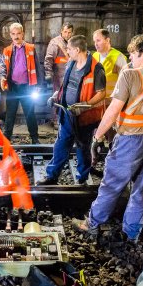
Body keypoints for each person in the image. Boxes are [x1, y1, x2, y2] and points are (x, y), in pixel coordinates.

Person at [72, 35, 143, 243]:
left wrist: (98, 136)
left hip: (130, 141)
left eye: (133, 54)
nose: (130, 58)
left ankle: (92, 223)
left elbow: (112, 110)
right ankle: (132, 232)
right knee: (142, 189)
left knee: (111, 185)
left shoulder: (129, 75)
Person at [36, 35, 106, 185]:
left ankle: (82, 178)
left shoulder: (96, 68)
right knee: (60, 146)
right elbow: (65, 85)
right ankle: (52, 176)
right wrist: (56, 96)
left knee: (82, 148)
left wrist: (83, 106)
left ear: (77, 49)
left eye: (68, 49)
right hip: (67, 114)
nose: (67, 52)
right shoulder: (71, 63)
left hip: (84, 118)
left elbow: (102, 93)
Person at [0, 22, 44, 144]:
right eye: (13, 34)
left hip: (27, 87)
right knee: (10, 114)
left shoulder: (30, 48)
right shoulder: (7, 50)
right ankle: (7, 138)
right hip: (13, 87)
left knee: (30, 113)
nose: (16, 36)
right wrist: (2, 78)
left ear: (22, 34)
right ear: (10, 35)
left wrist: (39, 85)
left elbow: (38, 68)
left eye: (18, 33)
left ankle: (34, 138)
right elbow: (3, 67)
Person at [44, 22, 73, 127]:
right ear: (61, 31)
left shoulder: (73, 43)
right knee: (57, 97)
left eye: (69, 32)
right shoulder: (55, 43)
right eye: (65, 32)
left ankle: (66, 120)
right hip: (58, 76)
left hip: (70, 77)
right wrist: (48, 74)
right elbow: (48, 60)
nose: (67, 34)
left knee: (68, 98)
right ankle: (56, 120)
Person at [92, 29, 127, 104]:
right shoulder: (94, 56)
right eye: (94, 41)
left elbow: (125, 82)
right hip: (96, 100)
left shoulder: (118, 57)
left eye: (98, 40)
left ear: (107, 40)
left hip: (111, 101)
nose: (95, 44)